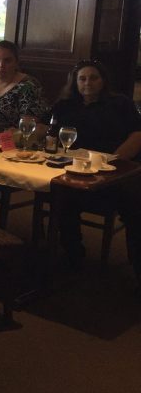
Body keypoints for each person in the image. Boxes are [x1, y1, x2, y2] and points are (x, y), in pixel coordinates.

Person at [51, 59, 141, 286]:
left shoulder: (120, 103)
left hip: (116, 170)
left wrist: (115, 160)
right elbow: (49, 134)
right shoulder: (65, 106)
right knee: (61, 195)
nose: (87, 83)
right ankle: (74, 255)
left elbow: (137, 135)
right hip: (77, 171)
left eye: (93, 78)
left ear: (103, 81)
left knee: (134, 207)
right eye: (82, 78)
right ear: (75, 82)